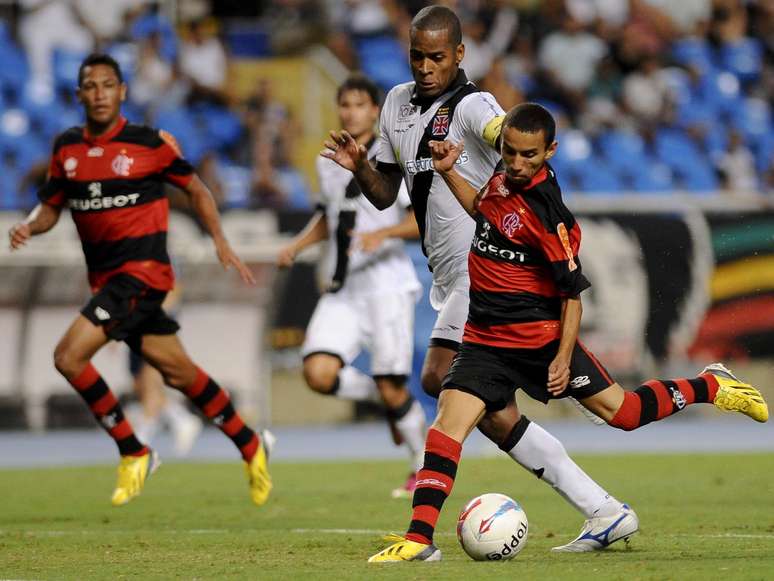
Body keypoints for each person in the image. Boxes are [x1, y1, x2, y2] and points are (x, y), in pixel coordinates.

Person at [367, 102, 769, 562]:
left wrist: (560, 358)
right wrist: (449, 172)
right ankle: (419, 541)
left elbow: (572, 295)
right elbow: (484, 209)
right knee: (446, 426)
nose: (517, 164)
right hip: (484, 340)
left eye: (529, 156)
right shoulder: (503, 175)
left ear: (550, 151)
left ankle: (710, 384)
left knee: (625, 413)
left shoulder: (548, 214)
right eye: (510, 152)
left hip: (539, 343)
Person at [324, 5, 636, 553]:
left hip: (487, 276)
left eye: (437, 57)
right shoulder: (396, 103)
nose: (425, 66)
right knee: (474, 401)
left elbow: (512, 138)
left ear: (460, 55)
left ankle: (423, 535)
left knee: (447, 383)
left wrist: (537, 191)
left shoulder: (473, 106)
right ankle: (601, 507)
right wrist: (361, 167)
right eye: (417, 55)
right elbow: (384, 191)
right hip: (448, 277)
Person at [7, 53, 272, 508]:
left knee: (68, 357)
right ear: (79, 95)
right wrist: (31, 225)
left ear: (122, 91)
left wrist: (220, 241)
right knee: (180, 373)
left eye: (108, 85)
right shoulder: (66, 150)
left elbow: (196, 188)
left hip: (144, 276)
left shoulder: (149, 143)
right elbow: (52, 206)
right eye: (90, 86)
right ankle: (251, 443)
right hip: (107, 282)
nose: (99, 93)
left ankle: (134, 450)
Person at [279, 75, 426, 498]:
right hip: (344, 288)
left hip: (386, 286)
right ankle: (386, 402)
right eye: (344, 104)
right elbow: (329, 218)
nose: (350, 112)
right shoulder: (327, 160)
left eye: (359, 104)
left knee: (391, 383)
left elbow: (421, 219)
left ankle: (420, 466)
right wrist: (299, 244)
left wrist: (385, 234)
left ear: (375, 110)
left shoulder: (391, 155)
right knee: (317, 373)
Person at [125, 286, 203, 457]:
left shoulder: (164, 260)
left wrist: (153, 315)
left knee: (151, 380)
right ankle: (181, 418)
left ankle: (141, 439)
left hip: (154, 327)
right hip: (133, 328)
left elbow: (174, 291)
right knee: (139, 384)